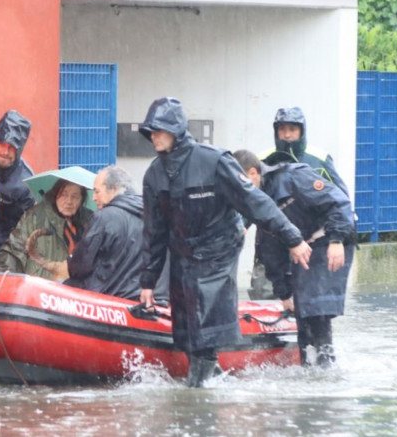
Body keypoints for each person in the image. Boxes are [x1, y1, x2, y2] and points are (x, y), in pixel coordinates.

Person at [137, 97, 312, 387]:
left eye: (159, 130)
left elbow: (255, 202)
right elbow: (154, 232)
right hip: (184, 252)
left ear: (176, 130)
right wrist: (148, 281)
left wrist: (292, 238)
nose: (154, 137)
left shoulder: (214, 160)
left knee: (205, 318)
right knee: (188, 329)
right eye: (150, 132)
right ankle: (211, 376)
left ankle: (198, 389)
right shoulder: (154, 175)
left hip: (220, 248)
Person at [233, 149, 355, 367]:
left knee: (315, 305)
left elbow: (339, 203)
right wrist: (284, 292)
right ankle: (309, 364)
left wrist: (337, 240)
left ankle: (327, 365)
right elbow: (269, 248)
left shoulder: (292, 178)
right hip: (302, 245)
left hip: (330, 237)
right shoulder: (256, 202)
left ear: (253, 173)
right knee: (301, 310)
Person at [250, 106, 351, 299]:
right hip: (273, 239)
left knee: (311, 300)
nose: (287, 135)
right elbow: (250, 197)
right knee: (265, 292)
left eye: (293, 129)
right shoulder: (262, 160)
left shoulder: (319, 158)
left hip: (311, 242)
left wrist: (337, 238)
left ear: (302, 131)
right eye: (282, 129)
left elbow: (340, 197)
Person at [65, 166, 164, 301]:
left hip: (105, 299)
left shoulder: (103, 218)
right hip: (143, 299)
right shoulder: (156, 217)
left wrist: (71, 259)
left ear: (114, 189)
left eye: (97, 191)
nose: (93, 198)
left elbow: (80, 266)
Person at [0, 178, 93, 281]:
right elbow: (13, 251)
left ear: (82, 200)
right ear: (55, 195)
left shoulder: (89, 221)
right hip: (38, 288)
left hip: (72, 290)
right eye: (64, 194)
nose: (69, 201)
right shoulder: (35, 216)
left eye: (75, 196)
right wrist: (8, 283)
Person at [0, 110, 35, 270]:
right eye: (2, 144)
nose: (6, 151)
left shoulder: (25, 183)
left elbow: (25, 231)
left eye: (12, 147)